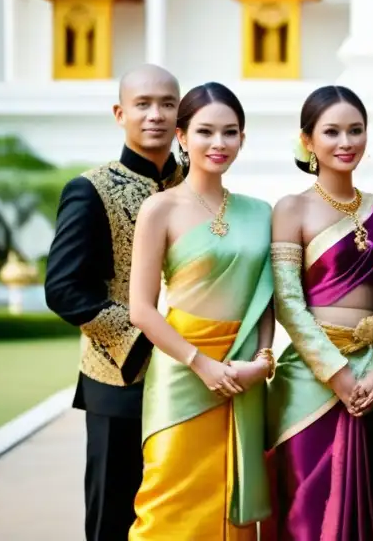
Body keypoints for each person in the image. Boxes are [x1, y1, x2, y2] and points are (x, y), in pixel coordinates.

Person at [127, 82, 274, 539]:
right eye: (205, 132)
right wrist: (200, 363)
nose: (219, 143)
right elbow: (141, 310)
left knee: (235, 503)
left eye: (230, 133)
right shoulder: (160, 209)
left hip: (241, 373)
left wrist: (261, 362)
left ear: (242, 139)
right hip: (182, 373)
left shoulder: (261, 211)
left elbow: (265, 299)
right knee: (168, 498)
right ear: (182, 137)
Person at [44, 64, 183, 541]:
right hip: (120, 380)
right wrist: (145, 339)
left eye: (168, 104)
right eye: (142, 104)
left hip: (193, 374)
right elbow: (64, 288)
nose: (156, 115)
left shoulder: (196, 185)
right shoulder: (91, 189)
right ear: (120, 113)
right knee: (113, 518)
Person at [265, 85, 373, 540]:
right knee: (308, 508)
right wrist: (337, 374)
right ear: (308, 140)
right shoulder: (292, 209)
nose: (346, 142)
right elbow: (288, 303)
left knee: (372, 502)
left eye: (355, 130)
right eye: (332, 132)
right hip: (311, 380)